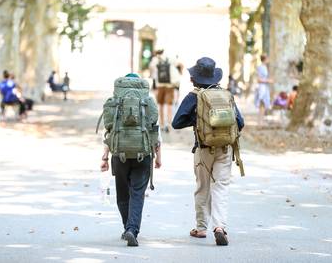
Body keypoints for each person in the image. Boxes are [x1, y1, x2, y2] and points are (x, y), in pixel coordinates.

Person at [172, 57, 244, 246]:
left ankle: (201, 228)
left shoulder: (194, 96)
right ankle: (220, 227)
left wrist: (197, 121)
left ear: (195, 78)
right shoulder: (226, 95)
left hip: (203, 149)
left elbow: (176, 122)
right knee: (221, 187)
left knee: (202, 188)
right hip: (225, 148)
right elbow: (240, 123)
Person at [99, 73, 162, 247]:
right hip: (143, 153)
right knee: (137, 194)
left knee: (122, 194)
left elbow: (109, 130)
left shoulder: (116, 102)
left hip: (120, 154)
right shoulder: (147, 102)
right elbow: (155, 131)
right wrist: (159, 158)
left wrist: (105, 156)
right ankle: (132, 229)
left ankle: (127, 226)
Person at [149, 49, 179, 133]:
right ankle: (169, 124)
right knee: (169, 105)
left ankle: (161, 124)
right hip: (170, 85)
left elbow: (151, 69)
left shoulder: (155, 59)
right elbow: (177, 64)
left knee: (160, 105)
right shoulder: (170, 58)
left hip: (160, 85)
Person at [254, 54, 273, 126]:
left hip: (265, 88)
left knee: (263, 105)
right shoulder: (260, 67)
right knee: (261, 104)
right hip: (262, 88)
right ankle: (259, 122)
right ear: (265, 59)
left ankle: (261, 122)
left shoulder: (265, 67)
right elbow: (259, 80)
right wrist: (268, 81)